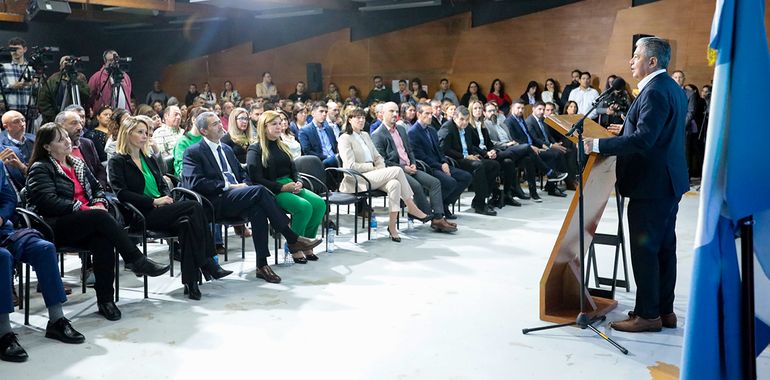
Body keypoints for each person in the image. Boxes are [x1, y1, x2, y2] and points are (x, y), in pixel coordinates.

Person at [584, 37, 688, 333]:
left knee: (646, 250)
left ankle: (647, 315)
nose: (631, 61)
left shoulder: (654, 91)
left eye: (636, 56)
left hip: (651, 185)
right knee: (664, 248)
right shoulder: (671, 88)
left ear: (652, 61)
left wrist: (600, 144)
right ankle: (663, 311)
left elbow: (644, 139)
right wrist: (625, 130)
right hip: (667, 182)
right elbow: (654, 132)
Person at [25, 123, 170, 321]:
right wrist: (86, 209)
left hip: (89, 221)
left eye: (67, 137)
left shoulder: (77, 163)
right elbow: (49, 202)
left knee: (103, 240)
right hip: (56, 225)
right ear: (47, 147)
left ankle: (106, 301)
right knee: (100, 217)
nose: (67, 142)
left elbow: (98, 189)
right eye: (60, 140)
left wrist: (99, 202)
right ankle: (135, 259)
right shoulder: (41, 168)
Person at [181, 112, 322, 283]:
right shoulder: (193, 152)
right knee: (260, 191)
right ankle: (292, 238)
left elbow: (243, 173)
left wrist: (245, 184)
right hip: (215, 202)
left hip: (237, 197)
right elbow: (195, 183)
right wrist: (230, 186)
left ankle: (262, 265)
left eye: (220, 121)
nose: (220, 125)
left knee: (258, 208)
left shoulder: (225, 149)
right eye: (215, 124)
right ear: (203, 131)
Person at [109, 116, 231, 300]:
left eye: (147, 133)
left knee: (186, 223)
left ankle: (191, 283)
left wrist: (166, 197)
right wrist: (153, 202)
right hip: (141, 214)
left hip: (162, 209)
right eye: (140, 132)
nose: (145, 136)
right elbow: (121, 193)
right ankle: (208, 261)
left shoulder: (148, 157)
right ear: (127, 134)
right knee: (193, 206)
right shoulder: (117, 161)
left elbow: (162, 183)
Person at [0, 162, 86, 363]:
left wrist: (2, 218)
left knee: (45, 248)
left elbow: (9, 199)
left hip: (4, 230)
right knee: (2, 257)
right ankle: (3, 333)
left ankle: (57, 320)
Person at [337, 107, 432, 242]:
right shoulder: (344, 138)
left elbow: (378, 156)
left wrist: (379, 167)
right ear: (350, 119)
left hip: (375, 174)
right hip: (358, 178)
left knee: (395, 184)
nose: (361, 120)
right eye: (357, 117)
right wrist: (372, 168)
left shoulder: (365, 135)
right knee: (398, 170)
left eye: (363, 117)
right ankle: (411, 206)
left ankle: (392, 227)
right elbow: (350, 165)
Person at [247, 111, 326, 263]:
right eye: (274, 124)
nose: (279, 126)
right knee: (304, 207)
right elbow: (256, 178)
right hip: (272, 189)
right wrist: (282, 188)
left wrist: (299, 182)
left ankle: (307, 243)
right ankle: (294, 245)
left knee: (319, 204)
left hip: (291, 184)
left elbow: (294, 169)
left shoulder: (282, 145)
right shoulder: (255, 149)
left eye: (280, 123)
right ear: (264, 127)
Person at [371, 102, 457, 233]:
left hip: (410, 166)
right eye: (391, 111)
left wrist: (413, 163)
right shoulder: (378, 134)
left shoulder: (400, 129)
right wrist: (404, 168)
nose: (395, 114)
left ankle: (438, 217)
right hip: (397, 170)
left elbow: (409, 150)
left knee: (435, 182)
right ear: (382, 114)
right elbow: (383, 162)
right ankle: (431, 217)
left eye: (396, 111)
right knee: (416, 186)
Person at [408, 104, 472, 219]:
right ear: (418, 114)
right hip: (427, 167)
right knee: (450, 182)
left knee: (466, 177)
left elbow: (440, 150)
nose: (430, 116)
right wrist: (440, 166)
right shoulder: (413, 133)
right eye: (426, 114)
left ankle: (443, 204)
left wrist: (444, 162)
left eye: (431, 114)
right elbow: (420, 156)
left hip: (439, 164)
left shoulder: (432, 130)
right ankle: (439, 207)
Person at [438, 106, 500, 215]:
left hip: (469, 157)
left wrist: (482, 154)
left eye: (467, 120)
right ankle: (480, 204)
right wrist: (464, 156)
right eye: (462, 119)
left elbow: (472, 145)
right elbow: (445, 150)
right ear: (454, 117)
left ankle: (478, 199)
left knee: (493, 165)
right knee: (479, 166)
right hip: (456, 160)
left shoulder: (467, 127)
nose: (465, 122)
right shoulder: (447, 128)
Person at [55, 110, 109, 189]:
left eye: (80, 123)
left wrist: (99, 188)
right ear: (60, 126)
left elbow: (99, 170)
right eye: (74, 123)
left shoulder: (87, 144)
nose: (80, 127)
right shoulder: (53, 149)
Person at [38, 56, 91, 123]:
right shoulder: (53, 79)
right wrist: (54, 117)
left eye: (69, 62)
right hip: (55, 117)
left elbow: (86, 96)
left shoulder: (80, 77)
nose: (67, 64)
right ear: (60, 66)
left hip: (75, 117)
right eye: (65, 62)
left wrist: (75, 80)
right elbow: (43, 100)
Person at [0, 38, 35, 122]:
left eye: (18, 48)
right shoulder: (3, 67)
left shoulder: (32, 68)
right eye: (12, 49)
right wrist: (12, 86)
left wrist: (34, 84)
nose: (15, 51)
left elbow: (39, 91)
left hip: (28, 110)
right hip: (9, 110)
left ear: (24, 49)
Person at [88, 50, 133, 114]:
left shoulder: (125, 76)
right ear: (105, 61)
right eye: (111, 60)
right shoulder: (97, 77)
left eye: (116, 59)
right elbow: (90, 97)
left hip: (123, 115)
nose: (115, 62)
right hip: (105, 116)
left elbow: (128, 95)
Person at [298, 101, 338, 167]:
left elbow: (335, 145)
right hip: (320, 163)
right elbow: (307, 152)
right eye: (321, 111)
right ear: (313, 113)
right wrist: (328, 157)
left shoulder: (329, 129)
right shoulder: (305, 131)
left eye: (326, 112)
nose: (324, 114)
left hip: (335, 160)